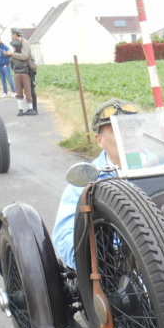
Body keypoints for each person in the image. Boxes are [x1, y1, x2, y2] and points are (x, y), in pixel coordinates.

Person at [51, 99, 139, 268]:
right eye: (117, 130)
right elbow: (66, 236)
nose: (128, 135)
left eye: (132, 127)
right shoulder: (86, 181)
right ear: (100, 140)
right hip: (117, 266)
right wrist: (100, 262)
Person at [8, 38, 36, 116]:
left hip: (17, 74)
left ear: (14, 47)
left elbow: (12, 67)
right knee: (28, 91)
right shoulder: (25, 56)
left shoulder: (13, 56)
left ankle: (20, 110)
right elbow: (31, 66)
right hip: (25, 74)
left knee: (19, 92)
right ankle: (30, 108)